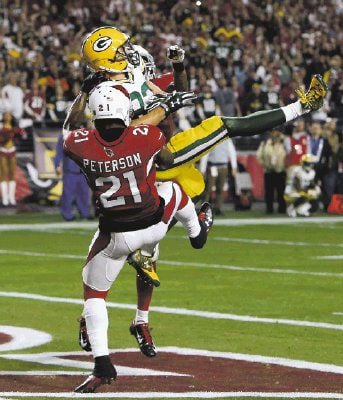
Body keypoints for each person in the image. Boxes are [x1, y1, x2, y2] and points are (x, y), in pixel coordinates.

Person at [68, 26, 329, 359]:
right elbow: (124, 132)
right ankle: (302, 107)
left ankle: (135, 316)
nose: (130, 53)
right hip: (155, 158)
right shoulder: (103, 91)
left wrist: (178, 69)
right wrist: (163, 109)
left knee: (158, 239)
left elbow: (180, 91)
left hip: (155, 167)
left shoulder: (129, 79)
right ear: (107, 60)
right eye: (122, 50)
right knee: (222, 125)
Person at [64, 85, 213, 393]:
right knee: (171, 188)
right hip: (154, 224)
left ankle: (102, 363)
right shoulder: (145, 137)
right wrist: (165, 109)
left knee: (93, 297)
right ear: (124, 112)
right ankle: (197, 232)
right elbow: (163, 155)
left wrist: (84, 92)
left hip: (115, 235)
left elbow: (71, 126)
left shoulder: (78, 144)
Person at [54, 133, 92, 221]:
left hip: (83, 170)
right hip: (70, 169)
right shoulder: (65, 135)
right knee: (68, 194)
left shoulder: (87, 135)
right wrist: (57, 165)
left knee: (84, 193)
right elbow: (59, 152)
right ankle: (67, 214)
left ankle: (84, 212)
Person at [257, 129, 287, 214]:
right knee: (269, 192)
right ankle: (269, 209)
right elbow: (259, 156)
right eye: (273, 132)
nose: (276, 133)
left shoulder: (284, 143)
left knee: (281, 191)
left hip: (281, 170)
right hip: (269, 171)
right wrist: (265, 165)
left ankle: (282, 208)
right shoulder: (265, 143)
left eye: (277, 131)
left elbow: (289, 154)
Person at [0, 112, 24, 207]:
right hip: (2, 151)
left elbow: (22, 133)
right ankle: (5, 199)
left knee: (12, 174)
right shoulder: (1, 127)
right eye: (6, 114)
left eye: (9, 115)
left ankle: (12, 198)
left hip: (12, 151)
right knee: (3, 174)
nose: (8, 116)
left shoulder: (14, 127)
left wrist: (17, 131)